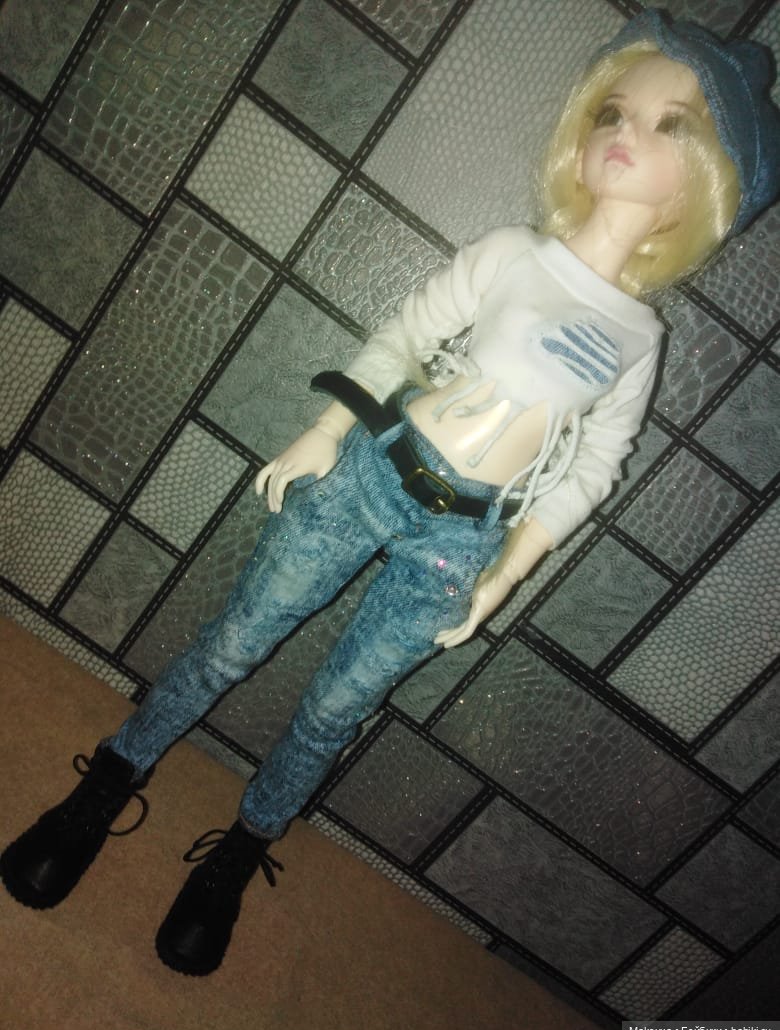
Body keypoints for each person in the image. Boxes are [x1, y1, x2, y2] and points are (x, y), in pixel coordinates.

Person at [2, 9, 778, 977]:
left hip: (458, 546)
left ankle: (239, 851)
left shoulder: (638, 339)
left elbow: (593, 468)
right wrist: (328, 428)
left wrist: (502, 579)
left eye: (671, 125)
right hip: (375, 471)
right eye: (615, 110)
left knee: (336, 708)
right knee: (239, 636)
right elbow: (408, 331)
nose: (627, 133)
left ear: (704, 182)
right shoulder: (513, 254)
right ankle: (111, 777)